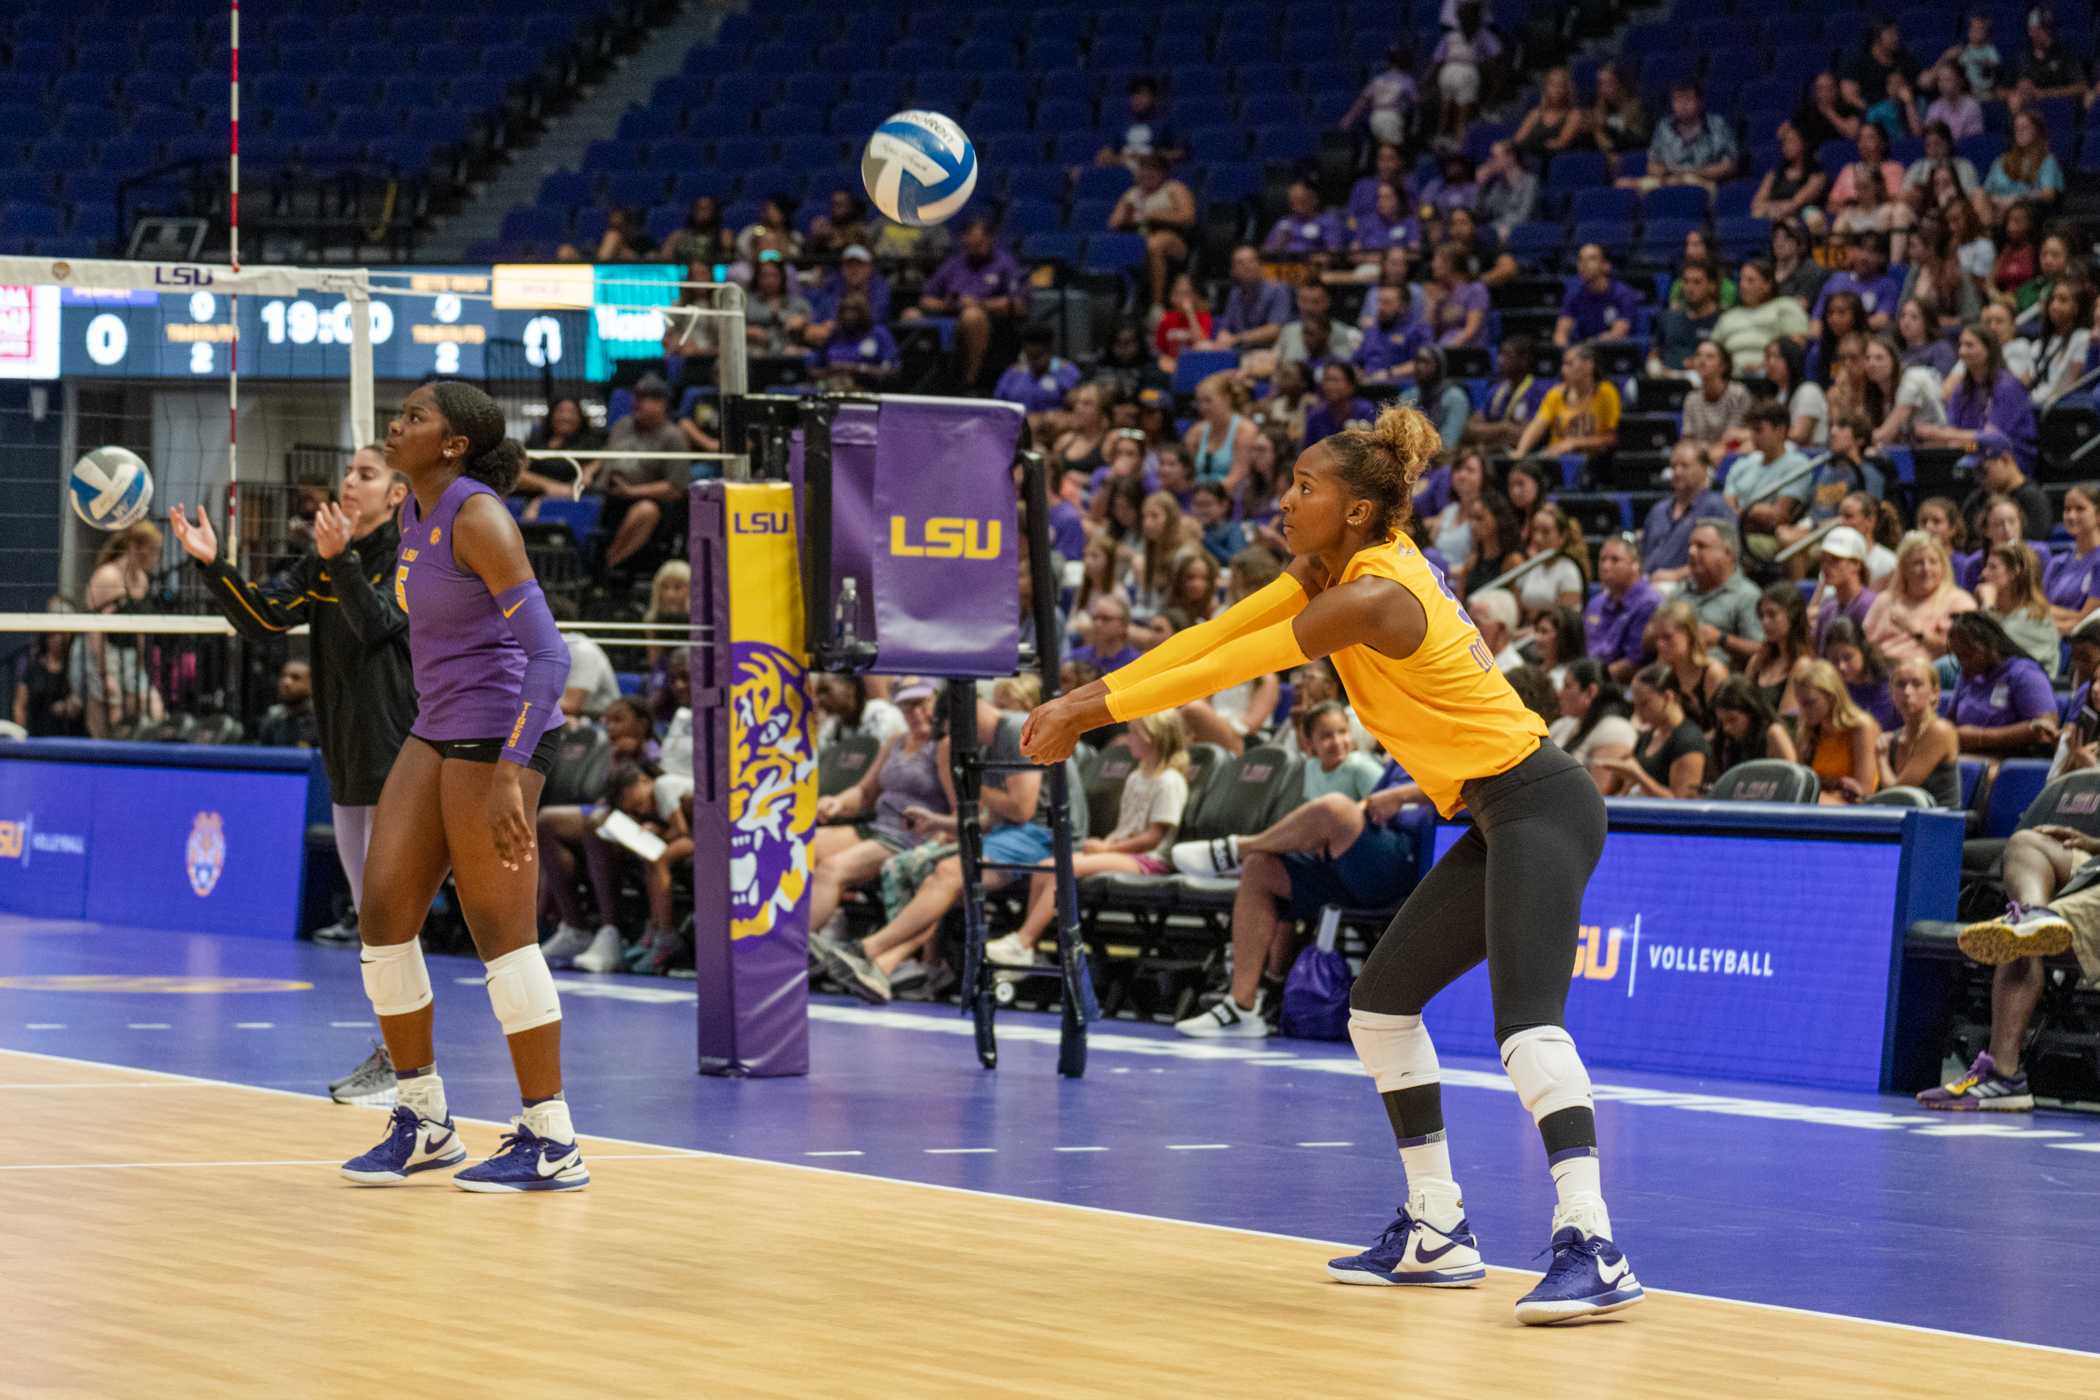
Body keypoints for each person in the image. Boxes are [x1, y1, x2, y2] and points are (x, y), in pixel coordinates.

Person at [1020, 403, 1641, 1322]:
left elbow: (1226, 671)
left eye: (1306, 488)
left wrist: (1087, 711)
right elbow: (1215, 636)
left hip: (1542, 800)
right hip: (1492, 811)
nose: (1285, 500)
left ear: (1356, 510)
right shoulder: (1329, 570)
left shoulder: (1372, 596)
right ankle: (1437, 1224)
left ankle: (1592, 1239)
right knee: (1380, 1006)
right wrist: (1082, 696)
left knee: (1527, 1031)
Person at [338, 380, 584, 1192]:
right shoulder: (411, 512)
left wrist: (515, 770)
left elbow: (551, 656)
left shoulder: (478, 516)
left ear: (452, 446)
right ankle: (424, 1120)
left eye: (414, 419)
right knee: (382, 916)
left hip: (502, 729)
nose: (394, 427)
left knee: (499, 932)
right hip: (436, 722)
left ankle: (550, 1136)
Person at [173, 444, 419, 1101]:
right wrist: (212, 564)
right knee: (377, 922)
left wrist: (339, 561)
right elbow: (263, 620)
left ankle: (408, 1067)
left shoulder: (409, 555)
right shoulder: (324, 558)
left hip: (401, 760)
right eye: (349, 472)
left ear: (397, 494)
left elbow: (376, 626)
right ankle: (398, 1056)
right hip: (345, 758)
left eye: (366, 474)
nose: (349, 482)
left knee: (393, 922)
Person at [987, 709, 1191, 966]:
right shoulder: (1137, 776)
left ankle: (1023, 940)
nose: (1128, 739)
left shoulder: (1170, 781)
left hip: (1149, 859)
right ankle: (1031, 949)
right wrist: (1106, 847)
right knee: (1044, 867)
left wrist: (1107, 848)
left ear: (1152, 738)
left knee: (1062, 868)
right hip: (1123, 851)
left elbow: (1153, 837)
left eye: (1134, 733)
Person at [806, 681, 950, 942]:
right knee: (800, 848)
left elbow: (955, 805)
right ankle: (793, 930)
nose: (915, 714)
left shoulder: (943, 745)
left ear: (936, 703)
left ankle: (793, 949)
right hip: (877, 827)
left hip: (911, 836)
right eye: (907, 707)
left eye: (921, 704)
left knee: (831, 868)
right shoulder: (895, 741)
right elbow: (864, 792)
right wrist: (837, 802)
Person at [912, 216, 1026, 390]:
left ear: (990, 239)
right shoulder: (954, 263)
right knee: (910, 315)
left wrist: (979, 304)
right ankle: (918, 380)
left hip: (991, 321)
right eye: (970, 242)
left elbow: (1018, 304)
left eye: (979, 242)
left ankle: (968, 382)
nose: (974, 246)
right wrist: (947, 305)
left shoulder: (1005, 264)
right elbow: (925, 299)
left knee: (971, 317)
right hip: (950, 315)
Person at [1945, 610, 2059, 757]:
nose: (1962, 662)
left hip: (2010, 762)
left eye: (1968, 655)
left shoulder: (2024, 673)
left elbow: (2046, 726)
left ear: (1990, 646)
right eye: (1958, 656)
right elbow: (1951, 720)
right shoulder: (1969, 672)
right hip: (1966, 756)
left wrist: (1981, 737)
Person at [1590, 663, 1709, 798]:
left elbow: (1682, 805)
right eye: (1635, 705)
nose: (1638, 712)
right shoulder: (1648, 736)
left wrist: (1638, 776)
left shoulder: (1689, 741)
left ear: (1668, 697)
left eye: (1644, 704)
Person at [1864, 530, 1977, 661]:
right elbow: (1866, 645)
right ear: (1904, 568)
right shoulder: (1885, 600)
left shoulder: (1959, 602)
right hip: (1884, 671)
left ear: (1943, 566)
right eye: (1918, 563)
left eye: (1933, 562)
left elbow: (1958, 651)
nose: (1926, 569)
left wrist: (1915, 631)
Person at [1109, 154, 1198, 308]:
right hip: (1139, 237)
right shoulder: (1132, 194)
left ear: (1162, 172)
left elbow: (1188, 217)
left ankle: (1157, 303)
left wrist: (1156, 215)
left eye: (1152, 170)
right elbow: (1113, 223)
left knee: (1154, 245)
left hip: (1174, 239)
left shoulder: (1174, 188)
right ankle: (1122, 305)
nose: (1147, 175)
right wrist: (1127, 217)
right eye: (1143, 170)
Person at [1791, 657, 1881, 802]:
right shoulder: (1808, 731)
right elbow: (1801, 784)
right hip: (1818, 804)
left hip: (1853, 809)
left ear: (1831, 696)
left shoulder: (1861, 728)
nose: (1803, 711)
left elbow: (1864, 790)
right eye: (1800, 704)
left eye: (1810, 702)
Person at [1512, 345, 1620, 462]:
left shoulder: (1606, 392)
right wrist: (1520, 451)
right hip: (1556, 459)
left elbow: (1611, 438)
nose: (1563, 370)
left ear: (1588, 365)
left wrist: (1574, 443)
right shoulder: (1555, 394)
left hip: (1593, 461)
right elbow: (1537, 425)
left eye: (1569, 364)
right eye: (1563, 364)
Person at [1679, 521, 1765, 667]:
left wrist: (1722, 640)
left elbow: (1763, 650)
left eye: (1701, 546)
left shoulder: (1747, 596)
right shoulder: (1680, 590)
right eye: (1690, 546)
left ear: (1728, 553)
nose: (1691, 552)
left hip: (1723, 680)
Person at [1878, 656, 1961, 805]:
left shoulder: (1940, 731)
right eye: (1900, 684)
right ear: (1891, 692)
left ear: (1934, 692)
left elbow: (1899, 795)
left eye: (1917, 684)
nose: (1907, 691)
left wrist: (1881, 759)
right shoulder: (1893, 739)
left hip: (1938, 824)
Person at [1624, 80, 1735, 190]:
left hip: (1703, 181)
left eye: (1688, 100)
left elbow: (1729, 165)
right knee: (1624, 184)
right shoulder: (1664, 126)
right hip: (1668, 179)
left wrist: (1694, 173)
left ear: (1700, 102)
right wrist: (1668, 174)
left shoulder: (1717, 125)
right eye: (1677, 100)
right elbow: (1652, 165)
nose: (1682, 105)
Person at [1583, 535, 1661, 683]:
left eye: (1614, 560)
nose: (1606, 566)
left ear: (1635, 565)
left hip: (1618, 686)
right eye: (1602, 560)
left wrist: (1591, 681)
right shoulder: (1595, 603)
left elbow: (1634, 663)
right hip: (1588, 676)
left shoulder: (1648, 603)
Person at [1713, 259, 1810, 377]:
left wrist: (1766, 365)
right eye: (1741, 280)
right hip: (1729, 379)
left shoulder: (1785, 306)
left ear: (1767, 285)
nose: (1743, 285)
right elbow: (1713, 350)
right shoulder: (1728, 316)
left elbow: (1797, 344)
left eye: (1750, 280)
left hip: (1771, 377)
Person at [1975, 543, 2059, 675]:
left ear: (2015, 572)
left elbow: (1987, 650)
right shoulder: (2000, 614)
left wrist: (1988, 606)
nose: (1983, 573)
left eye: (1993, 567)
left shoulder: (2034, 618)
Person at [1709, 677, 1798, 775]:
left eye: (1732, 719)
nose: (1726, 728)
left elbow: (1794, 776)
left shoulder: (1774, 733)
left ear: (1751, 712)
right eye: (1722, 722)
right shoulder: (1730, 741)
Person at [1553, 244, 1637, 346]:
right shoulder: (1573, 294)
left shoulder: (1622, 294)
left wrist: (1590, 345)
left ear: (1606, 265)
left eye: (1592, 259)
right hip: (1581, 352)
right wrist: (1565, 351)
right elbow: (1561, 333)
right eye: (1580, 259)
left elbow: (1618, 333)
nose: (1584, 264)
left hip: (1612, 352)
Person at [1812, 525, 1880, 649]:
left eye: (1835, 560)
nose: (1826, 566)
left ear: (1856, 564)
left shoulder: (1872, 605)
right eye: (1823, 560)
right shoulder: (1827, 608)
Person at [2047, 484, 2100, 634]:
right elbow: (2038, 608)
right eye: (2067, 509)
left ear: (2098, 515)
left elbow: (2089, 620)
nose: (2071, 516)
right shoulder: (2058, 562)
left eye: (2080, 509)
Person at [1678, 340, 1751, 448]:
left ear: (1723, 365)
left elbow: (1738, 435)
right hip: (1700, 456)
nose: (1702, 361)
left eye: (1710, 357)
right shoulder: (1691, 399)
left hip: (1732, 454)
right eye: (1698, 355)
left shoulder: (1738, 393)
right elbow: (1687, 439)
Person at [256, 660, 318, 748]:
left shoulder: (321, 722)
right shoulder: (272, 720)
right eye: (283, 676)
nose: (286, 682)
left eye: (296, 678)